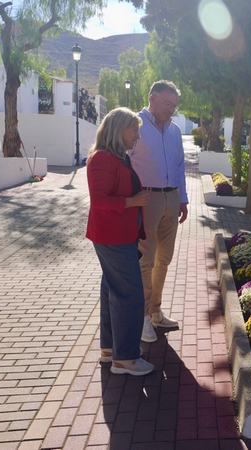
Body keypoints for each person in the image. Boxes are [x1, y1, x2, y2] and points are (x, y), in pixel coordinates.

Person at [86, 107, 154, 376]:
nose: (138, 136)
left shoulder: (117, 157)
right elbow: (99, 200)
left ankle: (110, 349)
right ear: (119, 130)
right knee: (130, 294)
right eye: (134, 130)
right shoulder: (103, 158)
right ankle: (125, 358)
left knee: (113, 291)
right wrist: (132, 201)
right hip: (113, 237)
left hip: (119, 235)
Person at [129, 80, 188, 343]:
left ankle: (155, 312)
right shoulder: (136, 125)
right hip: (147, 199)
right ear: (152, 98)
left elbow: (179, 166)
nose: (171, 109)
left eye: (174, 105)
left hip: (171, 198)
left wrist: (183, 199)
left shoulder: (175, 130)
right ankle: (142, 317)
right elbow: (124, 161)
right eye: (167, 103)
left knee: (164, 259)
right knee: (146, 260)